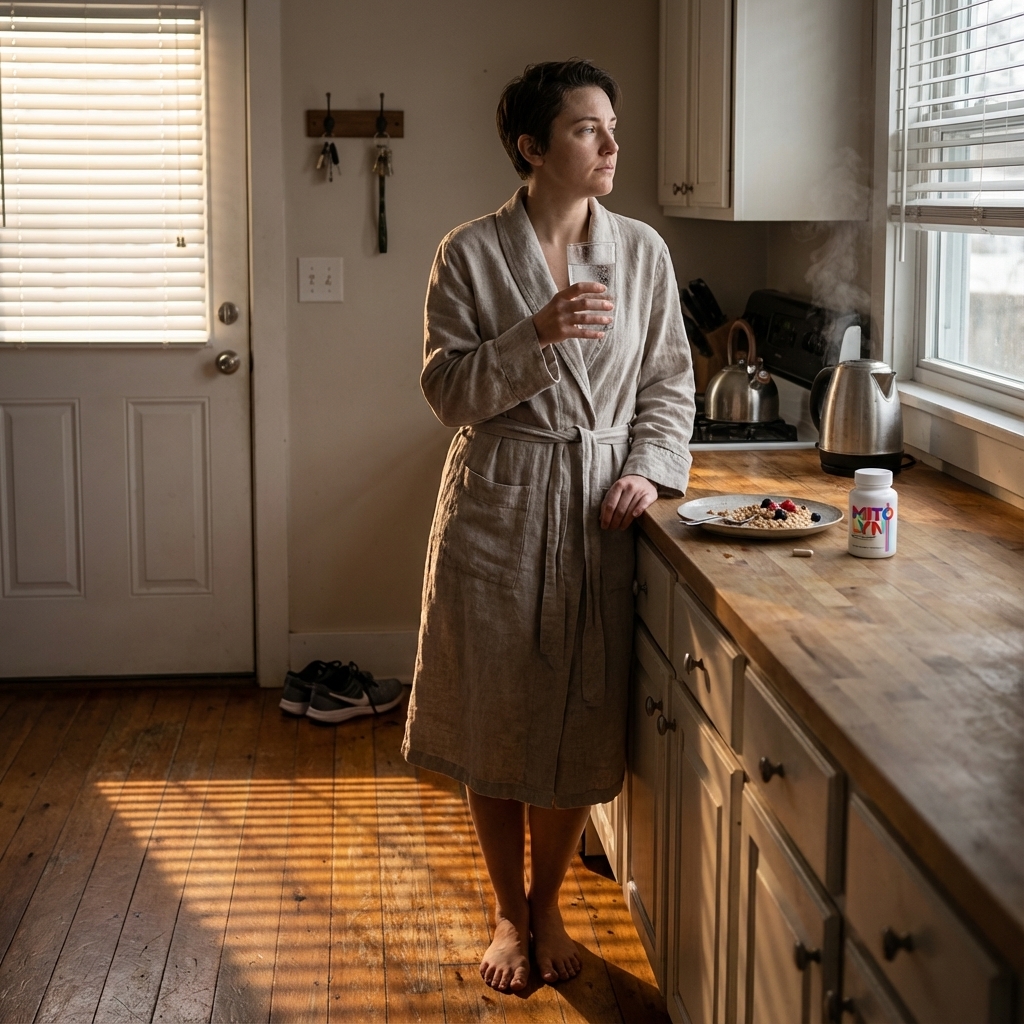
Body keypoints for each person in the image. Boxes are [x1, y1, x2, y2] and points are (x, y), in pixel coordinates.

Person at [402, 59, 694, 993]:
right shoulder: (468, 253)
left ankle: (550, 901)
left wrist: (647, 468)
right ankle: (506, 909)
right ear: (532, 148)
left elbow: (668, 383)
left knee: (579, 715)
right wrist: (535, 335)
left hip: (596, 503)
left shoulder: (640, 252)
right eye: (585, 128)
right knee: (496, 711)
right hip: (500, 498)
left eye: (611, 125)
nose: (611, 144)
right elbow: (447, 391)